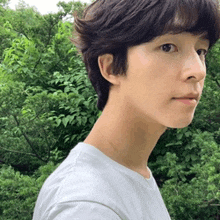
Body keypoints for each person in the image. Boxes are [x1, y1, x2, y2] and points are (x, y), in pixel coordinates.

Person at [33, 0, 220, 219]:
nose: (197, 70)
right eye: (168, 47)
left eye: (200, 50)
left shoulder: (129, 173)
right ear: (111, 67)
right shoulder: (88, 205)